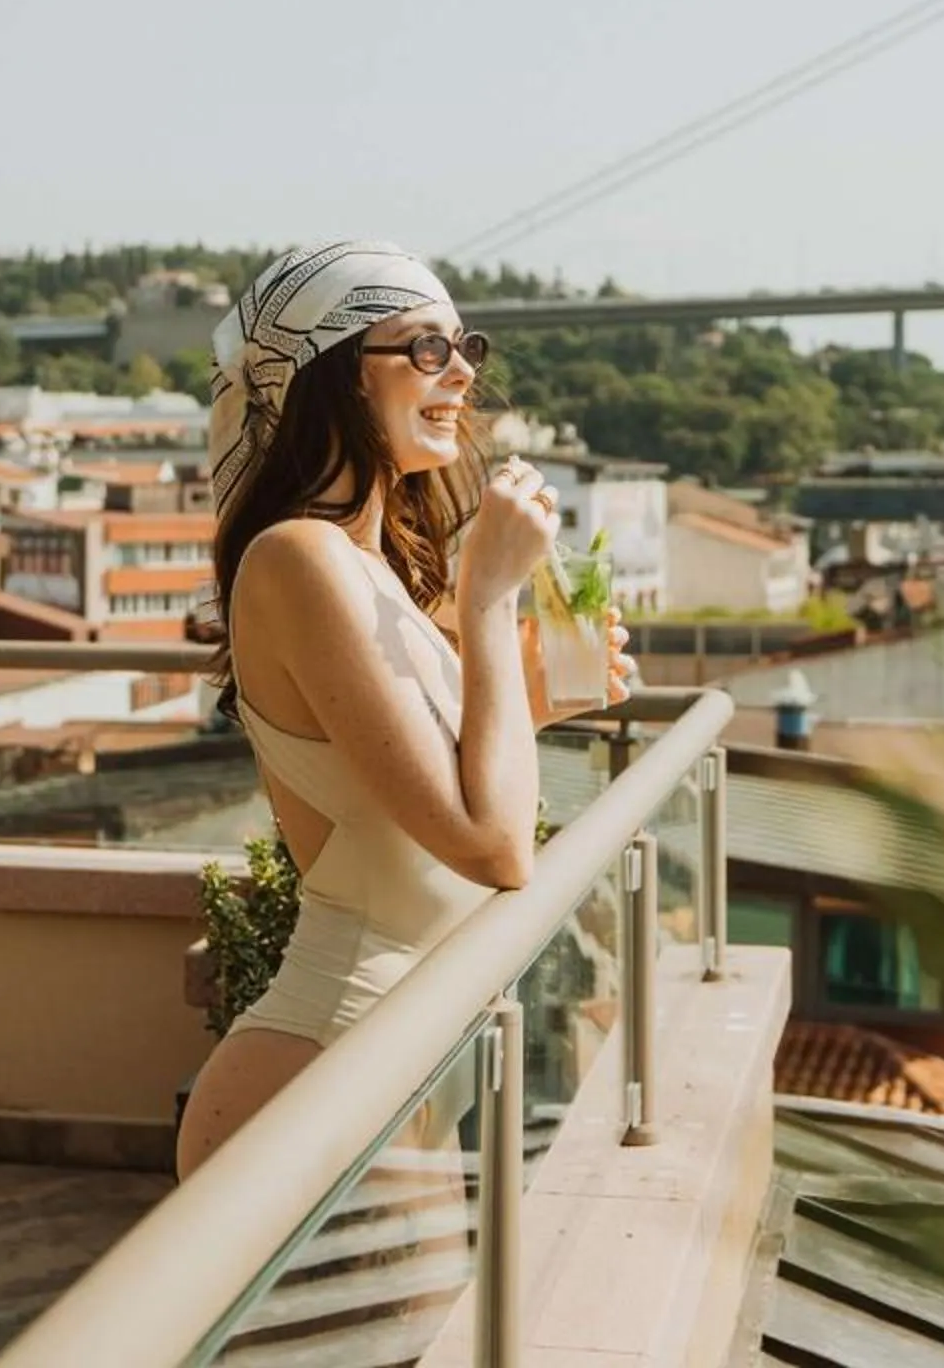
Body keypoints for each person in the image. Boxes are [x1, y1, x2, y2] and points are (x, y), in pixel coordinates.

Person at [174, 240, 634, 1181]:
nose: (462, 370)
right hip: (325, 1067)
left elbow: (428, 799)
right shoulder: (298, 560)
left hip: (401, 1061)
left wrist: (534, 704)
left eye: (465, 345)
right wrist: (490, 600)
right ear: (334, 376)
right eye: (424, 349)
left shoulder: (375, 570)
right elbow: (493, 847)